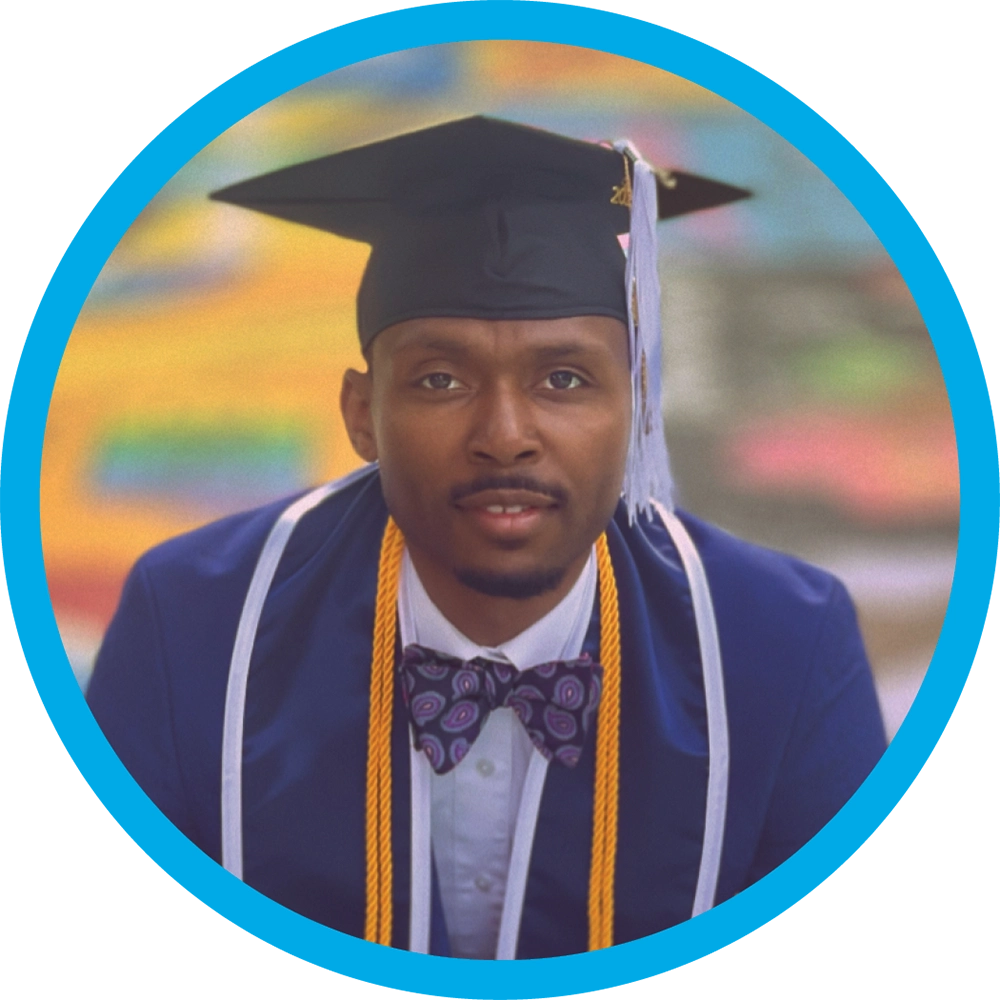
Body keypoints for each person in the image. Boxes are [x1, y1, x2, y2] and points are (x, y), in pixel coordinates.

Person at [86, 116, 887, 960]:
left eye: (564, 378)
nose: (506, 433)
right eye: (441, 379)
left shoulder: (781, 646)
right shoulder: (195, 627)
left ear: (639, 405)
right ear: (364, 414)